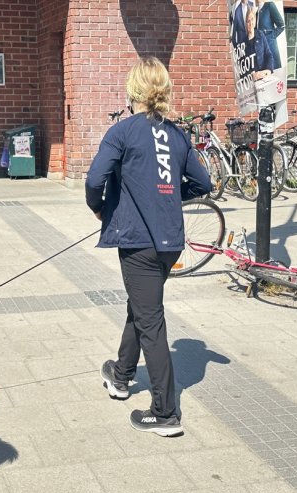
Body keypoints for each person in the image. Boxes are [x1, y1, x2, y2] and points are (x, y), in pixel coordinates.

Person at [85, 57, 211, 437]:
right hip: (170, 241)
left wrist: (100, 208)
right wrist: (171, 197)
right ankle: (121, 374)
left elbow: (94, 180)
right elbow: (202, 182)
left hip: (139, 242)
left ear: (133, 91)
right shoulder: (175, 134)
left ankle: (165, 412)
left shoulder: (123, 132)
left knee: (150, 319)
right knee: (142, 307)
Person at [244, 8, 275, 80]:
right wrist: (252, 75)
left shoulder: (260, 35)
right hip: (251, 81)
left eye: (252, 19)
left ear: (255, 21)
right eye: (248, 21)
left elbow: (269, 54)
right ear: (245, 23)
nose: (250, 23)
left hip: (264, 77)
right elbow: (242, 65)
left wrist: (269, 70)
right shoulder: (243, 42)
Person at [256, 0, 285, 70]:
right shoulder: (254, 10)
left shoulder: (269, 5)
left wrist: (270, 36)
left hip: (271, 47)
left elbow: (281, 26)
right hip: (259, 50)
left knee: (274, 74)